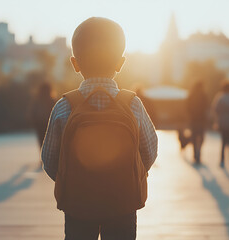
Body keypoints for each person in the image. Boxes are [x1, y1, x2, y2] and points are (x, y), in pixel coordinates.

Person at [41, 17, 158, 240]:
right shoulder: (132, 104)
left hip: (78, 204)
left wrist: (76, 180)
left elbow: (50, 160)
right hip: (123, 202)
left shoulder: (65, 106)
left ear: (75, 63)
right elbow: (149, 151)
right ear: (120, 63)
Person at [211, 82, 229, 168]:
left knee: (223, 142)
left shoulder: (220, 98)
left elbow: (215, 109)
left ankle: (222, 160)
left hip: (222, 122)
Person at [186, 81, 208, 164]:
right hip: (201, 120)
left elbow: (187, 107)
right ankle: (199, 152)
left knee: (194, 137)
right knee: (201, 137)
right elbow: (206, 106)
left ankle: (195, 153)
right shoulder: (204, 95)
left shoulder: (191, 95)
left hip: (193, 120)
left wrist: (191, 115)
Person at [31, 82, 55, 148]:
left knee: (42, 143)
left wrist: (35, 123)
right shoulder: (53, 101)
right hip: (50, 125)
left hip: (40, 125)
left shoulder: (37, 101)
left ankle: (43, 157)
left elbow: (32, 114)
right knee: (52, 143)